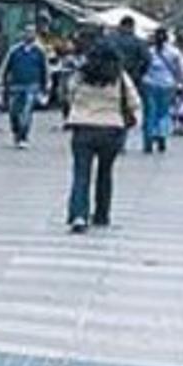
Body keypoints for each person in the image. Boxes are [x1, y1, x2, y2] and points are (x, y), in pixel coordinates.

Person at [64, 41, 140, 234]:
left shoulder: (81, 76)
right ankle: (102, 214)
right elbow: (134, 101)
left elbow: (69, 94)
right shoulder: (120, 77)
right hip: (111, 130)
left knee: (81, 173)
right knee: (105, 173)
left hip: (83, 128)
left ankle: (79, 215)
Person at [0, 23, 49, 149]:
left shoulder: (40, 51)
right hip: (16, 85)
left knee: (27, 112)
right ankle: (16, 131)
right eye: (27, 32)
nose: (29, 34)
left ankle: (23, 137)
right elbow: (5, 68)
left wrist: (46, 86)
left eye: (32, 32)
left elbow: (45, 70)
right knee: (13, 112)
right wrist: (1, 84)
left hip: (32, 86)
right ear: (23, 34)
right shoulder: (14, 50)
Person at [140, 27, 183, 153]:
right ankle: (161, 138)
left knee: (150, 113)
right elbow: (180, 70)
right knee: (163, 113)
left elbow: (142, 68)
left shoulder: (149, 51)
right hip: (167, 85)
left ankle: (148, 140)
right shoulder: (174, 52)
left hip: (149, 84)